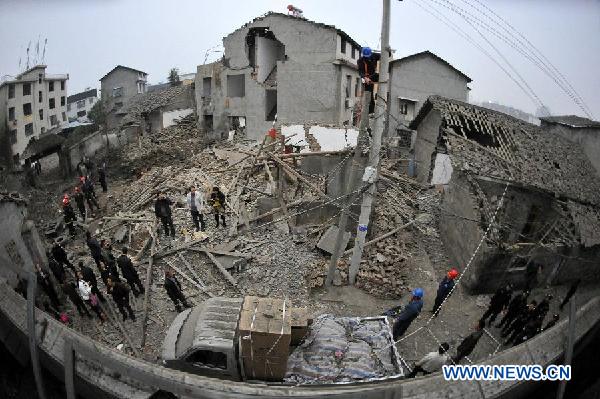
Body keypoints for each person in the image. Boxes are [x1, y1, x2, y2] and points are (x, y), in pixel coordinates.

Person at [357, 47, 380, 114]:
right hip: (367, 78)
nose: (367, 58)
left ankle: (374, 108)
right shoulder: (360, 61)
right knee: (369, 94)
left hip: (374, 75)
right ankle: (370, 111)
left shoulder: (374, 55)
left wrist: (389, 51)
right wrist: (365, 77)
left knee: (379, 76)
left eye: (368, 56)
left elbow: (386, 55)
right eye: (365, 56)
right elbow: (360, 72)